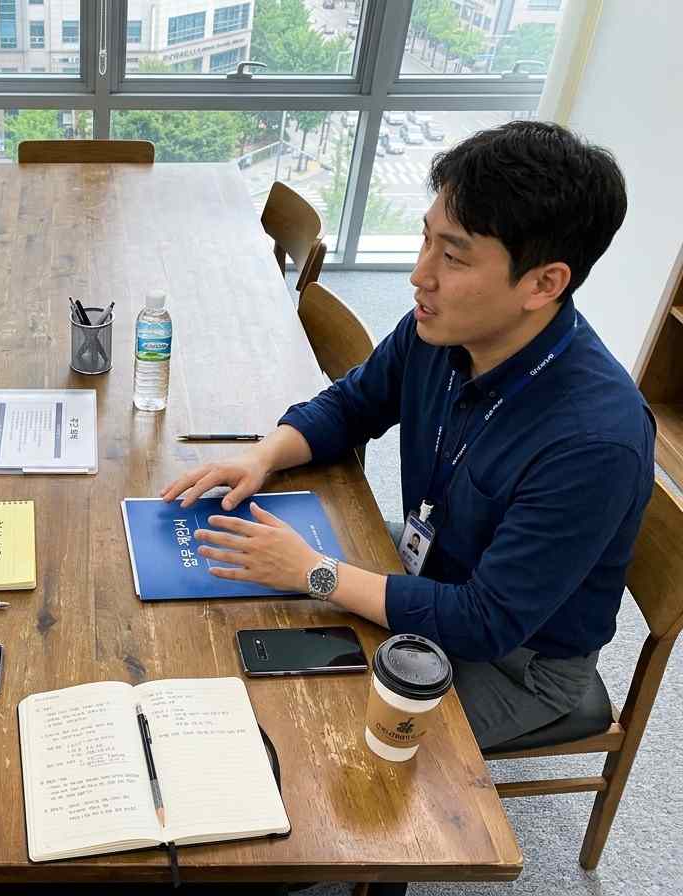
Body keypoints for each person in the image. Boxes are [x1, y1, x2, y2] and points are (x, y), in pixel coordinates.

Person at [161, 121, 655, 750]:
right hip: (429, 565)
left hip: (517, 661)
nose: (420, 275)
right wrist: (264, 456)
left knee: (302, 735)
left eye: (452, 256)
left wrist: (314, 573)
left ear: (543, 283)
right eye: (426, 240)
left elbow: (484, 621)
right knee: (227, 608)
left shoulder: (594, 441)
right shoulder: (440, 329)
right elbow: (351, 405)